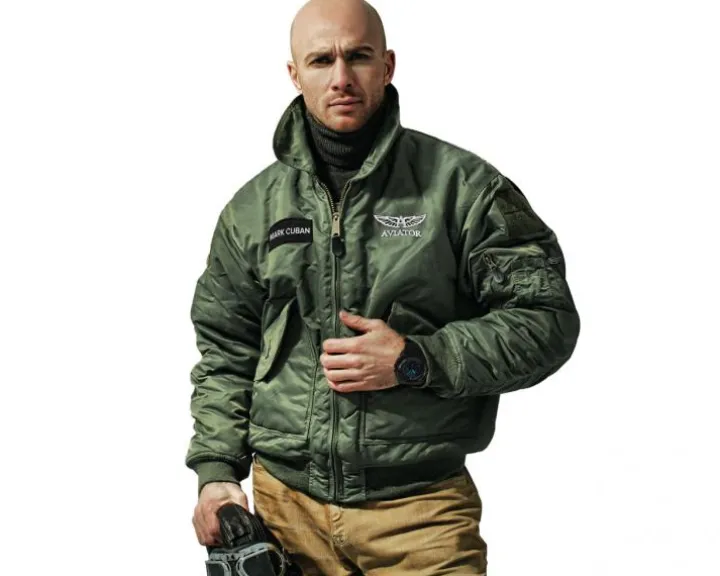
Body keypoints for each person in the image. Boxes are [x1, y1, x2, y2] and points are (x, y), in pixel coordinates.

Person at [186, 0, 581, 573]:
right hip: (284, 510)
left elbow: (545, 320)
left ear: (388, 64)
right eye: (321, 60)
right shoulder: (253, 210)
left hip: (419, 514)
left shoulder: (461, 189)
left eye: (359, 56)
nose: (341, 77)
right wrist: (217, 474)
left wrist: (416, 359)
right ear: (295, 74)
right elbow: (226, 350)